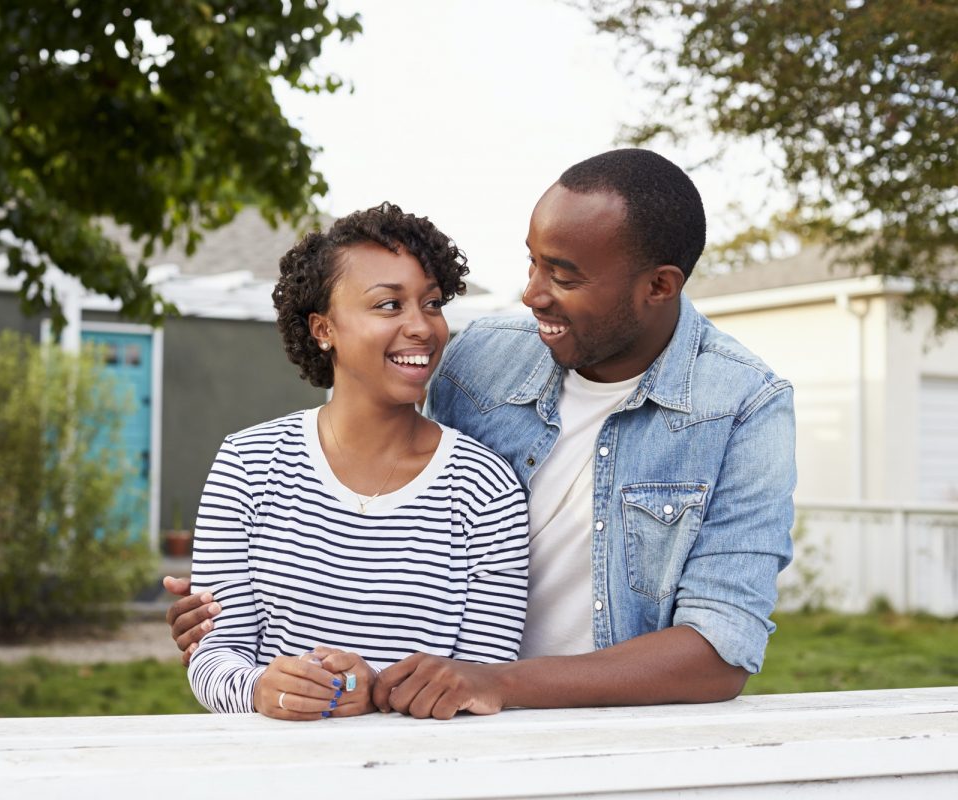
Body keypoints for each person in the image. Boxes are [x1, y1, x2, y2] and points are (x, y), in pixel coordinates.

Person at [166, 149, 796, 719]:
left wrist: (493, 681)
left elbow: (720, 650)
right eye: (532, 262)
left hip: (606, 725)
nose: (531, 295)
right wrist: (224, 644)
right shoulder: (483, 359)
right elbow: (376, 459)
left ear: (659, 286)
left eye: (564, 276)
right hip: (449, 715)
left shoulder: (743, 405)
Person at [185, 202, 530, 720]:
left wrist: (374, 693)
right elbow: (212, 657)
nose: (423, 327)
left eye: (432, 303)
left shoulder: (485, 487)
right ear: (324, 328)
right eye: (389, 305)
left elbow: (482, 677)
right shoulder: (248, 464)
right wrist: (261, 688)